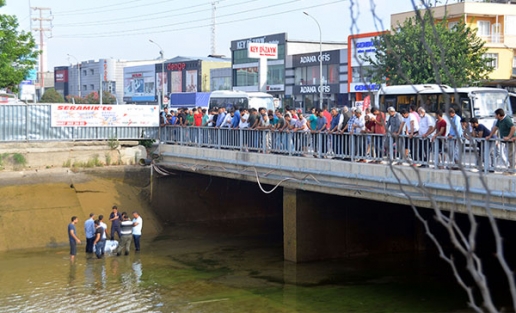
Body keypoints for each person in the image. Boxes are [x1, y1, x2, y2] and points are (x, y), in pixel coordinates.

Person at [486, 108, 516, 175]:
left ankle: (512, 170)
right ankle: (511, 167)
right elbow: (495, 128)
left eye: (495, 115)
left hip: (511, 139)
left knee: (511, 154)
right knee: (508, 154)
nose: (495, 116)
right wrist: (490, 136)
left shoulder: (507, 119)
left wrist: (508, 137)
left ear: (499, 115)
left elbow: (513, 128)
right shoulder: (499, 120)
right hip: (506, 140)